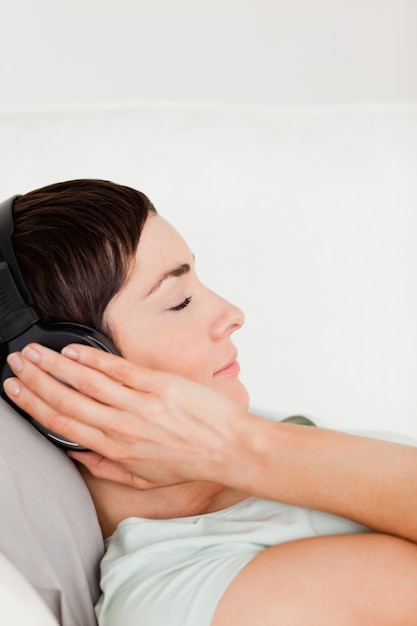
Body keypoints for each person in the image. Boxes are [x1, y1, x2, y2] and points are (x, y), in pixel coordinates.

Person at [2, 179, 417, 626]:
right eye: (179, 301)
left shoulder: (250, 429)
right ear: (70, 376)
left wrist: (237, 445)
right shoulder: (177, 600)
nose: (233, 314)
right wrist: (236, 448)